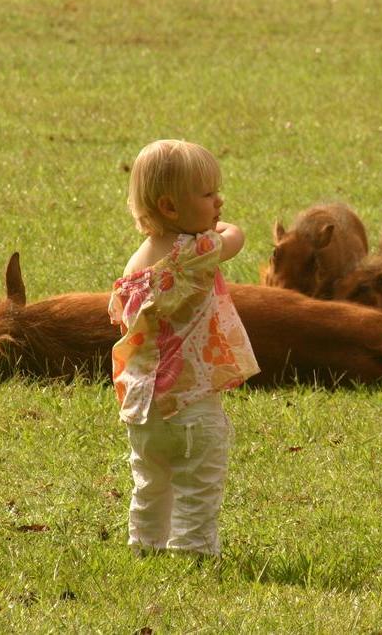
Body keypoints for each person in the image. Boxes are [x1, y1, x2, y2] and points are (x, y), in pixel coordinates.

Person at [108, 139, 260, 557]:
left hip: (143, 406)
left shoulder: (135, 265)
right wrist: (219, 230)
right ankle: (193, 551)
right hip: (191, 401)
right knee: (198, 481)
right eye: (208, 194)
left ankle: (146, 546)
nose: (219, 201)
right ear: (171, 208)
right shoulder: (194, 252)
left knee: (151, 482)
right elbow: (237, 237)